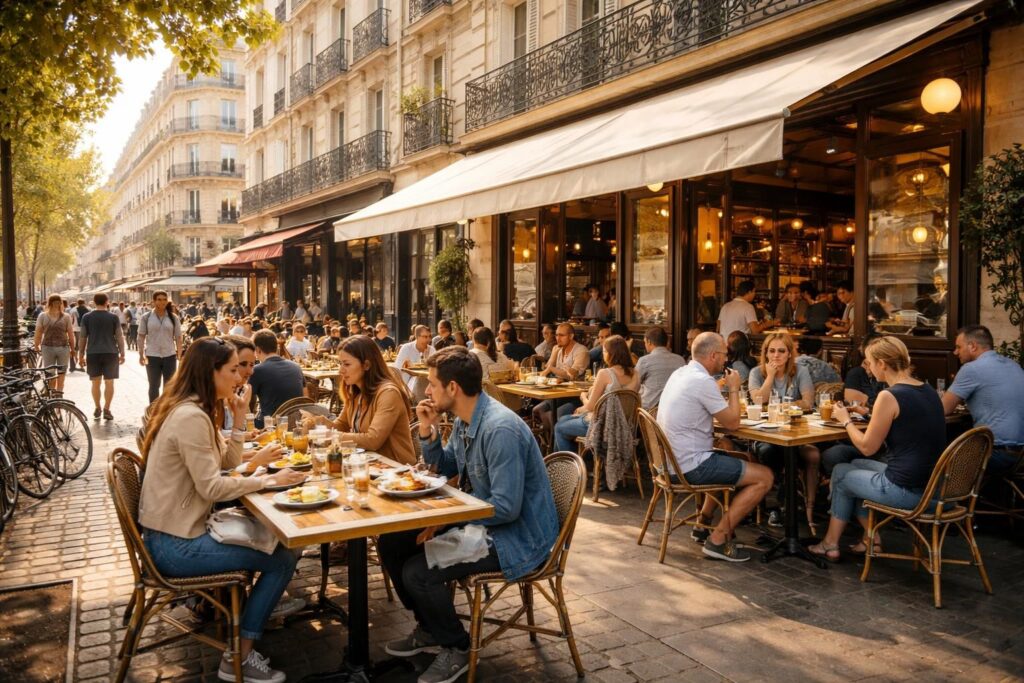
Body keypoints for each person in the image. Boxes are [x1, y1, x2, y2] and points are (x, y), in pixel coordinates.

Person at [378, 347, 558, 683]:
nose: (426, 391)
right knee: (392, 543)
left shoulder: (498, 429)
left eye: (431, 384)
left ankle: (457, 647)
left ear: (453, 388)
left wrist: (448, 520)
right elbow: (447, 468)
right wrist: (429, 432)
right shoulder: (466, 420)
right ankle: (430, 628)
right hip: (486, 523)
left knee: (418, 571)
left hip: (516, 538)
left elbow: (505, 508)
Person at [139, 337, 305, 682]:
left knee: (280, 545)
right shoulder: (190, 416)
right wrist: (266, 482)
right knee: (282, 558)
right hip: (173, 546)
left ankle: (242, 638)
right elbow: (213, 486)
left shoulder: (193, 408)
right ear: (209, 371)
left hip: (174, 533)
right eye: (232, 370)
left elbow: (226, 462)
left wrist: (240, 417)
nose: (240, 377)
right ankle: (238, 658)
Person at [809, 336, 945, 561]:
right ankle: (870, 537)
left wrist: (845, 420)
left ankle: (830, 544)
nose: (869, 368)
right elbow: (906, 420)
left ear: (882, 363)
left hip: (910, 492)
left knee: (842, 473)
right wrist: (868, 414)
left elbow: (866, 447)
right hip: (937, 488)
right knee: (852, 465)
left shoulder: (888, 395)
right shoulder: (927, 389)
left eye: (870, 362)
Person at [659, 333, 774, 561]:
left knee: (746, 458)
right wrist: (733, 387)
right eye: (724, 354)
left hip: (670, 461)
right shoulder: (701, 381)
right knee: (765, 477)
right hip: (690, 465)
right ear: (713, 355)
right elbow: (732, 423)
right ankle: (718, 540)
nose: (726, 359)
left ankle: (703, 524)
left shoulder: (682, 373)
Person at [303, 335, 416, 464]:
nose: (341, 370)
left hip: (397, 471)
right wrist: (319, 422)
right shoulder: (355, 390)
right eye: (340, 364)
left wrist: (332, 436)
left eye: (346, 364)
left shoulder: (388, 393)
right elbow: (341, 426)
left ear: (366, 365)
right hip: (368, 466)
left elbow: (373, 440)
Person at [943, 325, 1024, 476]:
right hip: (1020, 455)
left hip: (996, 454)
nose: (955, 352)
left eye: (958, 347)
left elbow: (942, 409)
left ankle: (942, 499)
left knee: (934, 459)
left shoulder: (971, 369)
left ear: (972, 346)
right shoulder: (1014, 365)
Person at [554, 335, 640, 451]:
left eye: (604, 351)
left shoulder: (605, 373)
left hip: (603, 425)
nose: (603, 354)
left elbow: (590, 406)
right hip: (625, 425)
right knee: (563, 419)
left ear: (611, 354)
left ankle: (568, 466)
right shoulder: (635, 373)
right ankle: (573, 459)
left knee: (559, 427)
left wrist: (583, 397)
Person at [532, 322, 590, 438]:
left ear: (571, 336)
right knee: (537, 410)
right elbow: (546, 368)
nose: (558, 338)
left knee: (556, 415)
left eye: (561, 335)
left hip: (575, 396)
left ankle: (554, 441)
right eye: (557, 335)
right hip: (558, 393)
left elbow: (571, 375)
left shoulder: (581, 351)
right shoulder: (557, 349)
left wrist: (551, 369)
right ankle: (551, 440)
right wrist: (553, 354)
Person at [78, 293, 125, 420]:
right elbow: (119, 336)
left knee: (95, 382)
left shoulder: (86, 317)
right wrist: (123, 353)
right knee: (109, 382)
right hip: (111, 352)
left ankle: (97, 407)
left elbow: (82, 337)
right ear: (107, 301)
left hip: (93, 353)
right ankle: (107, 409)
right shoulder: (113, 317)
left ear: (93, 301)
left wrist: (80, 354)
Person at [249, 329, 305, 428]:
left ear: (257, 350)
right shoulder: (296, 367)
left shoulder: (256, 370)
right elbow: (305, 397)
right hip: (297, 422)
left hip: (270, 426)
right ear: (276, 347)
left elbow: (248, 403)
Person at [138, 290, 184, 404]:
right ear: (153, 301)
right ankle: (153, 410)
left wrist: (179, 354)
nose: (162, 302)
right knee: (154, 385)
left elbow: (179, 337)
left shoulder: (173, 317)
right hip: (152, 355)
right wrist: (140, 354)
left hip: (169, 355)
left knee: (169, 386)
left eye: (164, 299)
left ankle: (165, 410)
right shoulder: (146, 317)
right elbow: (141, 336)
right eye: (159, 299)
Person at [33, 294, 75, 395]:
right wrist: (73, 349)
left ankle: (56, 395)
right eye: (56, 302)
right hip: (56, 348)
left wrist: (36, 345)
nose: (57, 304)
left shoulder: (64, 316)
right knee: (56, 375)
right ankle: (55, 396)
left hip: (53, 348)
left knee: (55, 374)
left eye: (58, 302)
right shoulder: (63, 316)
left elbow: (38, 332)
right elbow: (70, 334)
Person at [635, 326, 686, 410]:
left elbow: (635, 385)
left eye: (644, 342)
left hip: (650, 414)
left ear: (649, 342)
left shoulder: (644, 360)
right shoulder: (680, 360)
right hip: (675, 409)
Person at [394, 324, 436, 401]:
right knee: (417, 380)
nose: (428, 340)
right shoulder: (406, 348)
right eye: (425, 337)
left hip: (426, 380)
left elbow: (435, 368)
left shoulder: (431, 350)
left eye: (429, 337)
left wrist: (427, 361)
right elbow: (397, 368)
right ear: (417, 337)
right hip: (407, 382)